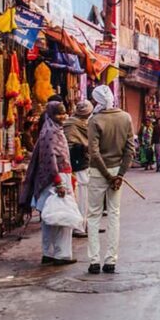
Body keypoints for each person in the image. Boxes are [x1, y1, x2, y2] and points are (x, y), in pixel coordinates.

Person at [20, 102, 77, 266]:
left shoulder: (51, 131)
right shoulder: (51, 133)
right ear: (51, 114)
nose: (63, 116)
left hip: (53, 178)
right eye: (59, 114)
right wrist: (59, 182)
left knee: (50, 218)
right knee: (62, 218)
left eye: (64, 113)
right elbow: (50, 160)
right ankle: (62, 254)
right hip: (54, 179)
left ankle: (49, 253)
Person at [87, 85, 135, 274]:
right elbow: (130, 149)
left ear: (97, 101)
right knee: (114, 215)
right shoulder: (125, 117)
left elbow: (93, 151)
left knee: (94, 216)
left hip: (99, 173)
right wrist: (119, 175)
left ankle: (93, 261)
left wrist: (108, 175)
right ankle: (110, 261)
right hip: (116, 173)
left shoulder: (95, 120)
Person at [64, 100, 93, 238]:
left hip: (81, 162)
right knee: (80, 195)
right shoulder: (71, 124)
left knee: (84, 196)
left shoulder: (80, 124)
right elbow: (70, 144)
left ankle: (84, 224)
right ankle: (78, 226)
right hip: (75, 162)